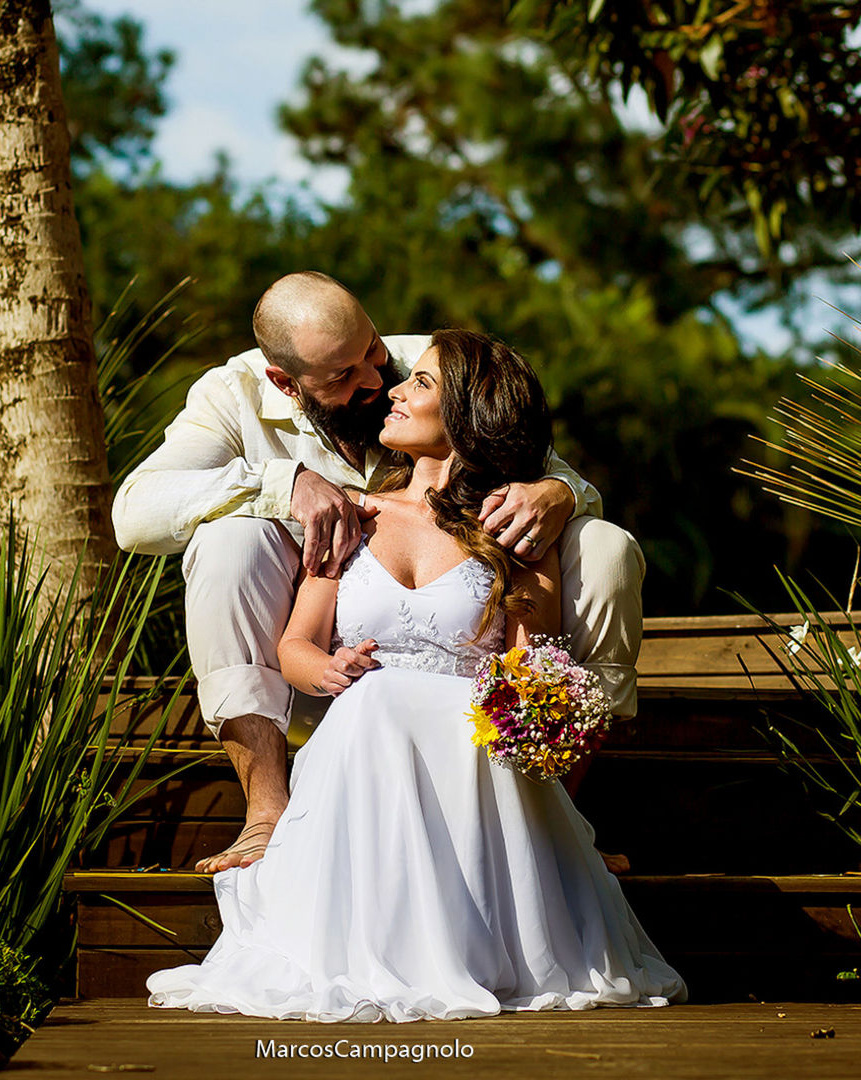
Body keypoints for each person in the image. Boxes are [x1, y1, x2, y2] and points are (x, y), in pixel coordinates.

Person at [145, 329, 686, 1021]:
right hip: (363, 740)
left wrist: (541, 717)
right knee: (376, 702)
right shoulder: (356, 514)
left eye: (420, 383)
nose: (393, 390)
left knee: (396, 702)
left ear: (470, 414)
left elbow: (528, 667)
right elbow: (296, 647)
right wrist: (329, 672)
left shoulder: (511, 531)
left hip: (470, 754)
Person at [111, 272, 645, 873]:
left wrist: (556, 491)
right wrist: (281, 482)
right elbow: (133, 515)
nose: (374, 380)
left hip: (474, 696)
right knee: (229, 540)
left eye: (373, 351)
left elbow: (523, 454)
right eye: (342, 377)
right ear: (286, 383)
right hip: (324, 677)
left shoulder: (433, 368)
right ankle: (266, 810)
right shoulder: (229, 395)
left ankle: (557, 817)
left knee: (607, 546)